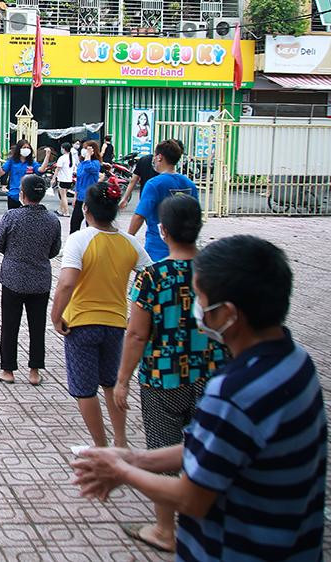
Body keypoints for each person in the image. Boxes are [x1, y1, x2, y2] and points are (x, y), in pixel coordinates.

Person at [72, 235, 326, 562]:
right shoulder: (295, 362)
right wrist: (133, 458)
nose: (197, 309)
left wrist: (121, 472)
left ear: (228, 315)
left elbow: (192, 498)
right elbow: (212, 447)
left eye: (200, 299)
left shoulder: (233, 392)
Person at [112, 195, 228, 553]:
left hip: (162, 376)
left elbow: (136, 333)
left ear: (162, 231)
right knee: (208, 450)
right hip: (211, 376)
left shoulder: (154, 275)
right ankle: (206, 520)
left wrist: (122, 379)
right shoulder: (216, 273)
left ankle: (165, 528)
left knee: (163, 448)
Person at [51, 182, 151, 447]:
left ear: (86, 209)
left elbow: (67, 283)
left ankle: (100, 447)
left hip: (81, 324)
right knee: (111, 384)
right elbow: (149, 276)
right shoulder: (130, 244)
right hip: (116, 324)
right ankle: (120, 442)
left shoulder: (79, 239)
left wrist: (56, 315)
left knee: (85, 390)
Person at [0, 175, 62, 386]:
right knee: (37, 325)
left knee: (10, 324)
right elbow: (54, 250)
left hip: (13, 277)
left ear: (22, 193)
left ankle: (8, 370)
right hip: (40, 279)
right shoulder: (52, 220)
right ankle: (34, 371)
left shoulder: (12, 216)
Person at [129, 139, 198, 261]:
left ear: (160, 157)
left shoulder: (154, 184)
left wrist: (128, 239)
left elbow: (140, 215)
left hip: (157, 249)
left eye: (155, 157)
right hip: (185, 251)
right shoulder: (190, 184)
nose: (154, 160)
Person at [0, 138, 52, 209]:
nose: (26, 149)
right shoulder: (12, 161)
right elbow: (1, 173)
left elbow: (41, 170)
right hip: (14, 195)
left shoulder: (31, 162)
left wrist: (47, 156)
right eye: (24, 147)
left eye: (28, 148)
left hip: (28, 196)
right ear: (19, 149)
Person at [71, 140, 102, 234]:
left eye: (87, 148)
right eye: (84, 148)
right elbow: (78, 181)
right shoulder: (81, 164)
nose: (84, 150)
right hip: (80, 198)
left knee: (91, 225)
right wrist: (75, 196)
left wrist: (88, 155)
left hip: (90, 198)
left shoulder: (95, 163)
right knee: (74, 223)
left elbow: (90, 168)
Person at [52, 141, 75, 217]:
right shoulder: (72, 158)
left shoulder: (62, 158)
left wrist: (53, 178)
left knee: (63, 196)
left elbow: (57, 169)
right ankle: (60, 210)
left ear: (64, 149)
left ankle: (66, 212)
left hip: (62, 179)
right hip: (69, 180)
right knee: (63, 195)